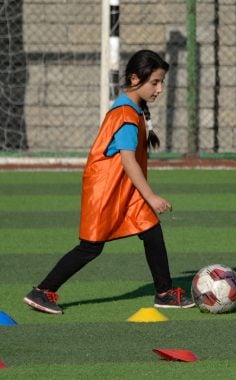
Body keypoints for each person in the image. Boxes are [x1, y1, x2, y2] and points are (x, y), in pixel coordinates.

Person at [23, 49, 194, 315]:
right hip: (106, 190)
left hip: (124, 189)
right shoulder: (126, 114)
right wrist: (151, 196)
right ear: (135, 78)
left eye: (162, 82)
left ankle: (164, 293)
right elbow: (128, 161)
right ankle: (42, 291)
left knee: (151, 231)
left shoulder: (132, 109)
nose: (159, 89)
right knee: (90, 247)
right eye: (155, 82)